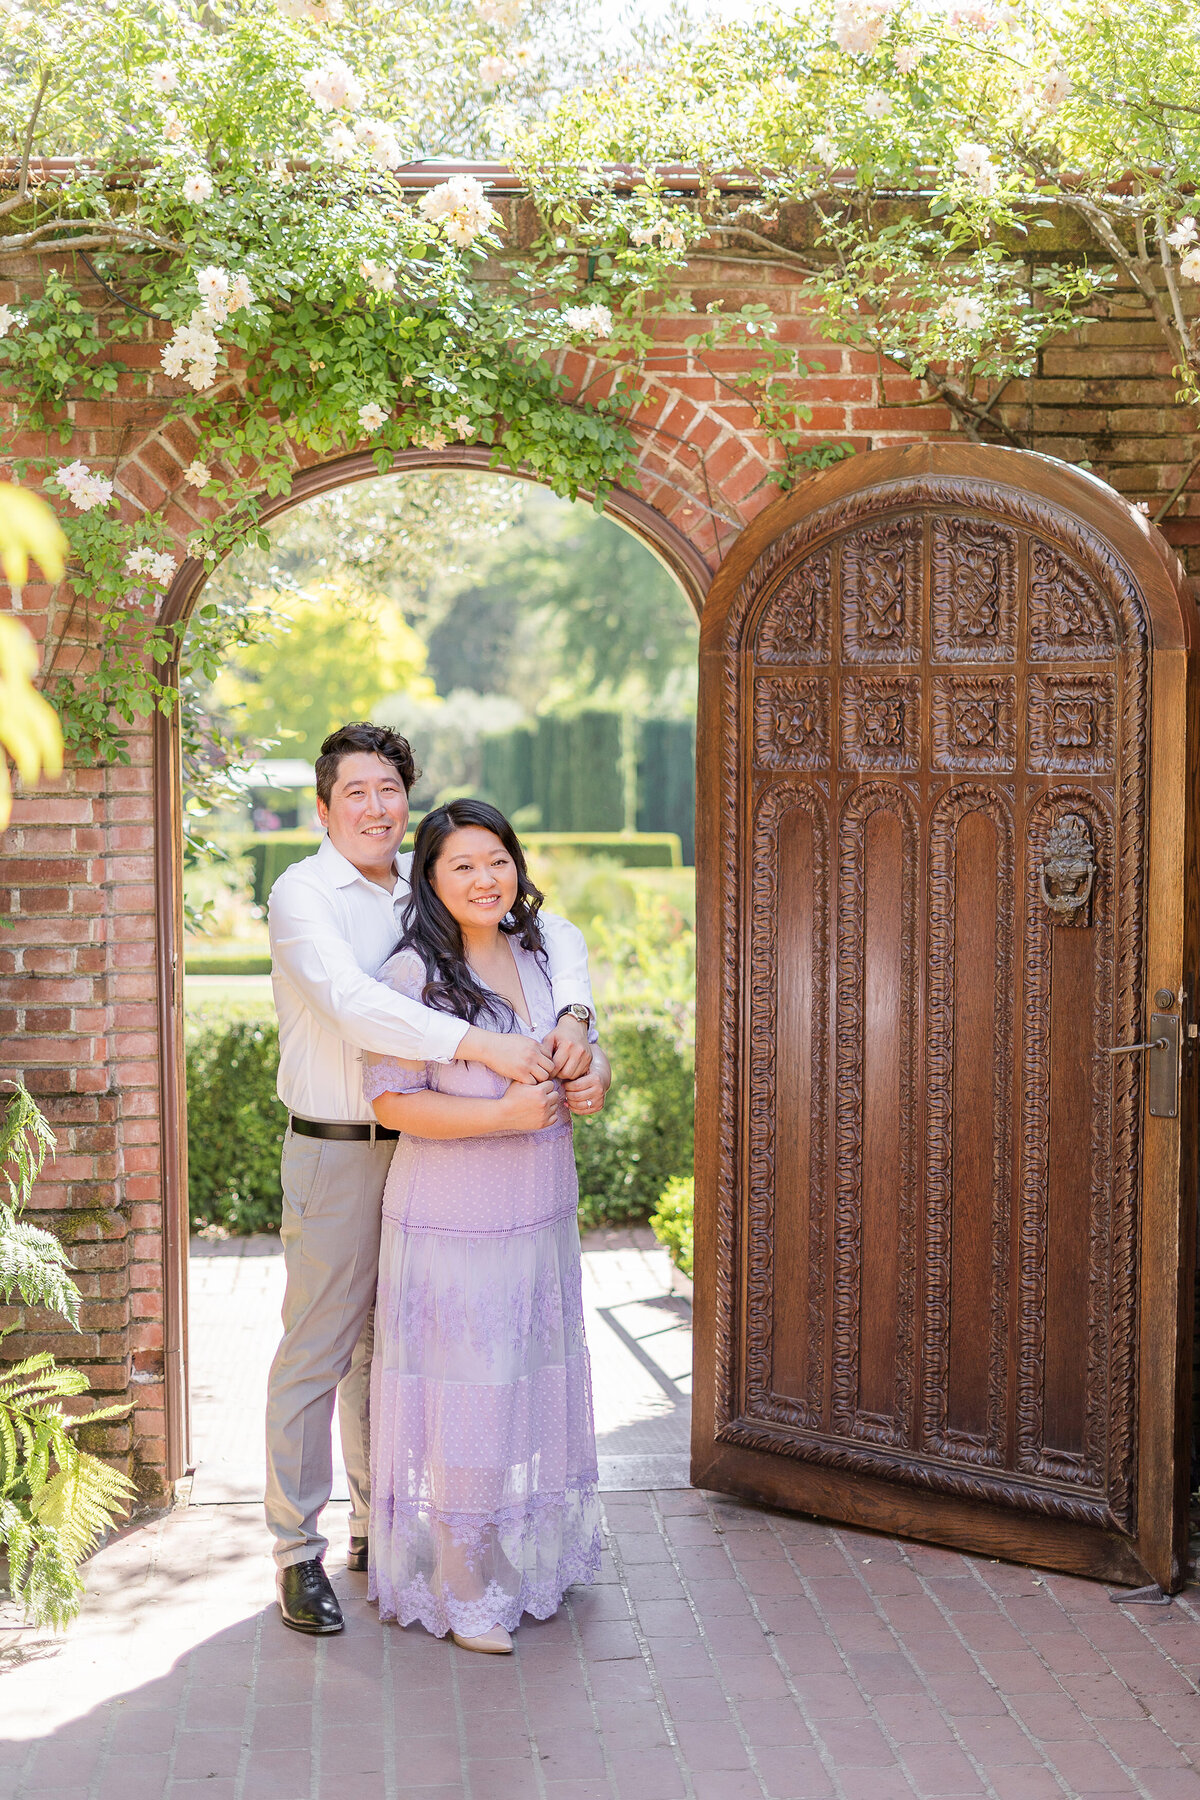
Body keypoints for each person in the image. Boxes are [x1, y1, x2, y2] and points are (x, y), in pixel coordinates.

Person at [264, 724, 596, 1637]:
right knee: (322, 1348)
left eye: (388, 790)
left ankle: (389, 1529)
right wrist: (484, 1046)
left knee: (400, 1345)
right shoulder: (303, 896)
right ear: (324, 807)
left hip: (430, 1156)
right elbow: (359, 1005)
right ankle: (298, 1552)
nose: (375, 806)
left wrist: (574, 1011)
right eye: (355, 792)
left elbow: (546, 928)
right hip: (342, 1141)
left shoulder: (421, 885)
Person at [364, 798, 611, 1654]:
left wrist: (591, 1074)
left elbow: (579, 1050)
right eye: (461, 864)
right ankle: (461, 1581)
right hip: (453, 1218)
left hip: (537, 1210)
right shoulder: (409, 977)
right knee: (465, 1387)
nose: (484, 878)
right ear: (430, 879)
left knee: (518, 1379)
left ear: (517, 866)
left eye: (496, 859)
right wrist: (502, 1118)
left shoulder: (542, 955)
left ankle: (499, 1539)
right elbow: (393, 1104)